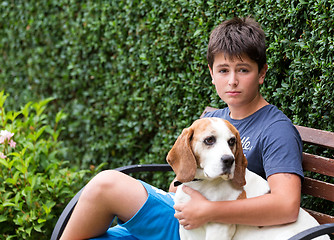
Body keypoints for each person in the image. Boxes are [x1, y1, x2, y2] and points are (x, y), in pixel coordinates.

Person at [60, 16, 303, 240]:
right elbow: (181, 181)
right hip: (185, 215)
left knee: (107, 184)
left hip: (205, 228)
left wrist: (209, 211)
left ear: (261, 73)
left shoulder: (275, 128)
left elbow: (286, 206)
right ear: (211, 73)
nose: (232, 81)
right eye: (223, 70)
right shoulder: (214, 119)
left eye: (243, 70)